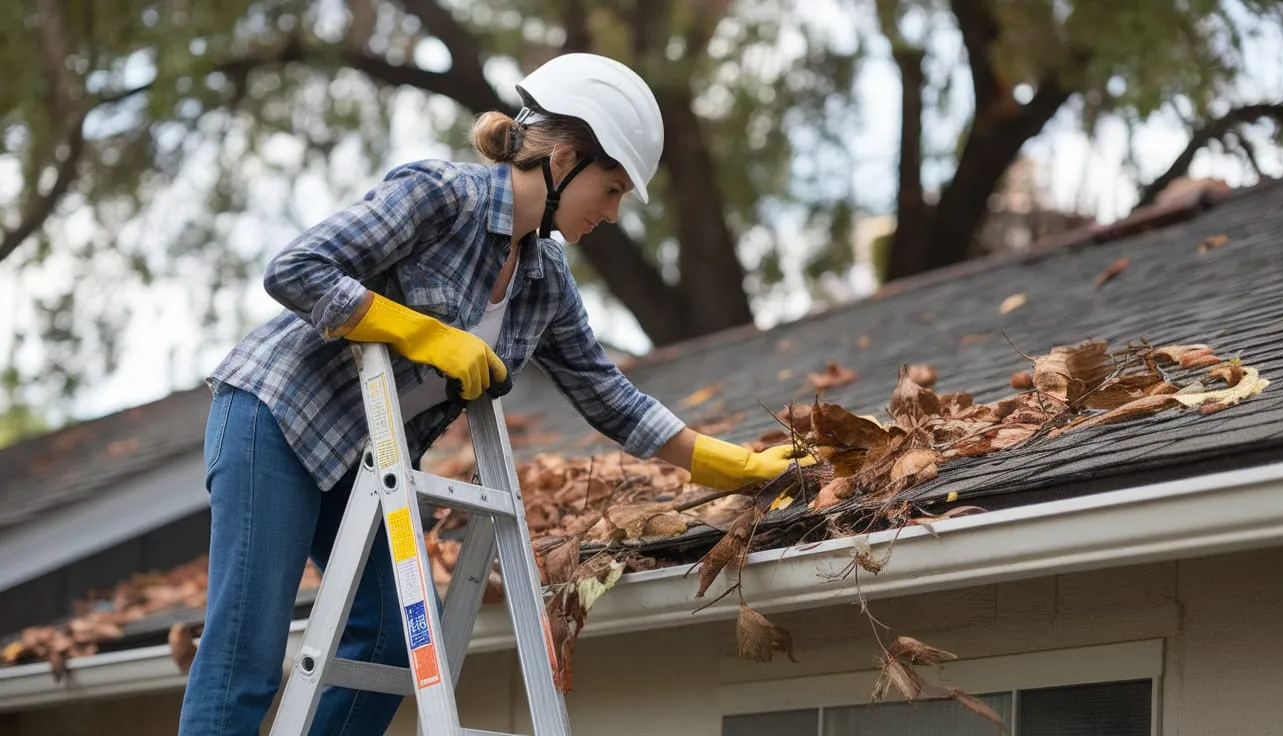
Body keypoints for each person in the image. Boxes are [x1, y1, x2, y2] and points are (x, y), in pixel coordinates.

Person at [177, 52, 815, 735]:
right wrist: (421, 333)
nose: (614, 211)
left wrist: (736, 466)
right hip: (276, 416)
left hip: (363, 462)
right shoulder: (439, 196)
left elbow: (608, 396)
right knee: (249, 643)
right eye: (613, 188)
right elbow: (295, 270)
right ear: (567, 158)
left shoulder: (545, 282)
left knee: (395, 642)